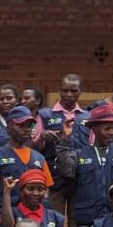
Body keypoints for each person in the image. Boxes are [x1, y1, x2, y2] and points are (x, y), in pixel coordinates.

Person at [0, 105, 53, 221]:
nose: (26, 129)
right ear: (8, 127)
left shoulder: (39, 158)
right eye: (21, 125)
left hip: (34, 219)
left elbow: (46, 191)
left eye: (29, 125)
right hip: (6, 218)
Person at [36, 74, 88, 216]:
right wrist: (42, 137)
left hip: (80, 177)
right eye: (65, 91)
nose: (69, 94)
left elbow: (92, 147)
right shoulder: (45, 114)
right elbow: (34, 145)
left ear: (80, 92)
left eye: (73, 91)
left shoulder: (88, 117)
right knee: (53, 220)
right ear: (60, 91)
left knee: (77, 223)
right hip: (53, 178)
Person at [0, 169, 65, 227]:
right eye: (30, 189)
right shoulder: (12, 213)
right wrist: (7, 191)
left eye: (40, 189)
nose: (35, 193)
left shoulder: (55, 217)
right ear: (21, 191)